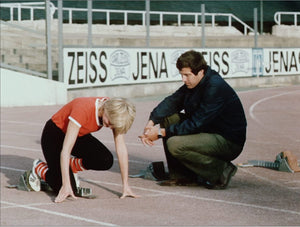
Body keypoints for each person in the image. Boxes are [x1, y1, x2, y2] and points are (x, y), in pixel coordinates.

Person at [139, 50, 247, 189]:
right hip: (208, 132)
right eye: (182, 75)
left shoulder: (215, 87)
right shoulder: (195, 83)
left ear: (201, 72)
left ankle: (221, 171)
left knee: (175, 144)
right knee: (167, 117)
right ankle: (182, 177)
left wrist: (160, 133)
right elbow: (172, 102)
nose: (184, 79)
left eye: (187, 75)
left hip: (227, 141)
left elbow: (196, 123)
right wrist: (151, 123)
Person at [28, 97, 138, 202]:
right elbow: (66, 150)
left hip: (77, 135)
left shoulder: (115, 111)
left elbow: (121, 148)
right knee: (67, 189)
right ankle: (39, 167)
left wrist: (126, 185)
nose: (110, 127)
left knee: (105, 160)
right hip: (54, 136)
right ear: (107, 110)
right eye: (110, 123)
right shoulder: (83, 109)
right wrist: (66, 185)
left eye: (113, 126)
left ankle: (69, 165)